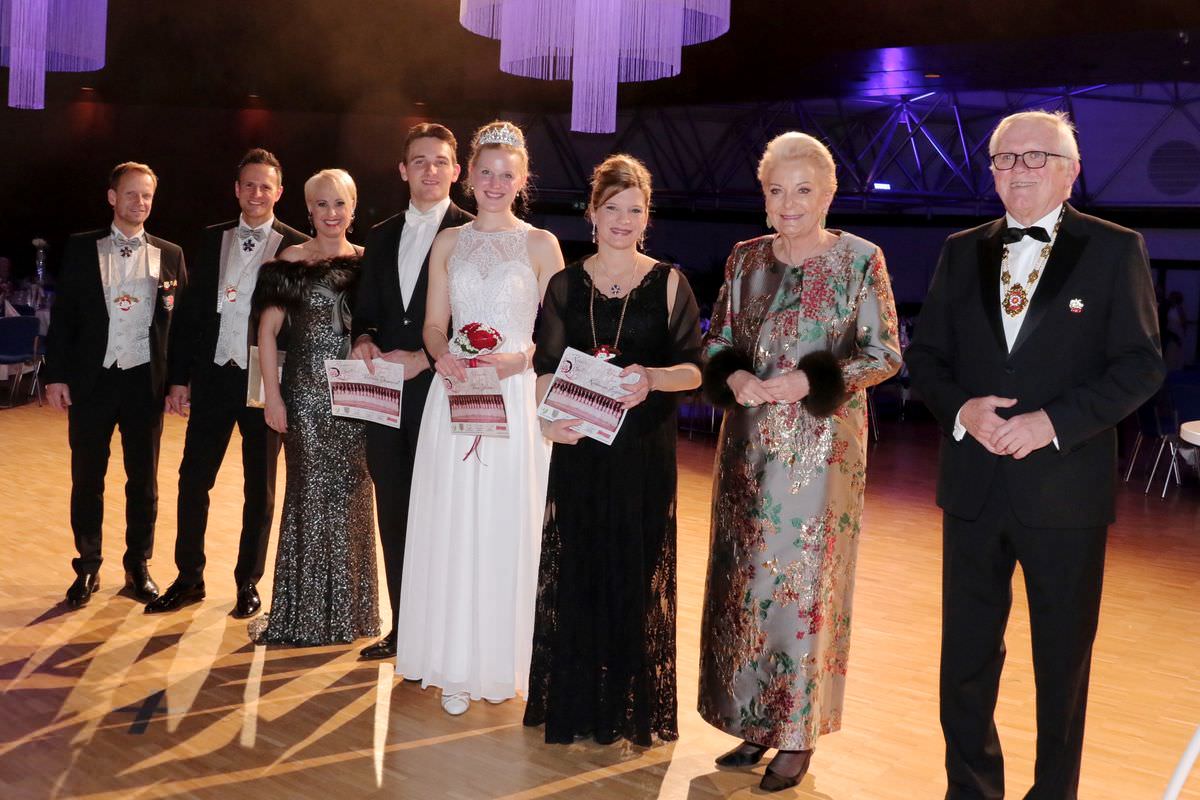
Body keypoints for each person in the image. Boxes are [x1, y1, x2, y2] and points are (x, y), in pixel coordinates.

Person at [906, 110, 1165, 800]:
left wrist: (1052, 422)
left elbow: (1141, 366)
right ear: (991, 172)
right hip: (973, 488)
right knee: (965, 660)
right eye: (1004, 158)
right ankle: (970, 790)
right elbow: (925, 358)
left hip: (1066, 493)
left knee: (1062, 665)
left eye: (1035, 157)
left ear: (1071, 171)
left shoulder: (1116, 249)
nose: (1018, 170)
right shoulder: (960, 250)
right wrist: (961, 410)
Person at [697, 132, 901, 792]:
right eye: (776, 190)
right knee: (746, 588)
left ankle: (797, 732)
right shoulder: (745, 258)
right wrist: (732, 376)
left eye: (803, 190)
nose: (789, 203)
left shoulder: (860, 259)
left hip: (820, 462)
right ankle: (753, 720)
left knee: (803, 592)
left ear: (828, 193)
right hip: (746, 453)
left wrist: (809, 379)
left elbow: (884, 354)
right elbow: (717, 340)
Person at [523, 155, 702, 746]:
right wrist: (549, 423)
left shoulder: (670, 283)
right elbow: (545, 369)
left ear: (647, 217)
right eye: (612, 208)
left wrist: (652, 377)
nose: (623, 219)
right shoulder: (564, 285)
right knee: (578, 574)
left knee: (633, 577)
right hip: (580, 450)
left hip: (642, 456)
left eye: (635, 209)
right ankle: (575, 707)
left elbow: (694, 370)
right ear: (592, 214)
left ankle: (626, 711)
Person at [395, 120, 564, 715]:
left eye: (506, 175)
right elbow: (432, 324)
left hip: (513, 397)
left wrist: (519, 360)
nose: (495, 183)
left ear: (522, 180)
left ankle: (506, 659)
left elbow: (557, 335)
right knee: (453, 517)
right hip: (456, 394)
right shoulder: (449, 242)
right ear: (469, 175)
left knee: (504, 520)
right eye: (486, 172)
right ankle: (454, 663)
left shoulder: (541, 244)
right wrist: (442, 353)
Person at [148, 148, 308, 617]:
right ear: (237, 190)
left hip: (265, 383)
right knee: (193, 480)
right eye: (249, 185)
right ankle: (189, 577)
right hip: (213, 377)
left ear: (279, 192)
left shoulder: (297, 246)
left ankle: (248, 582)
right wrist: (179, 379)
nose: (257, 193)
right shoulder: (210, 237)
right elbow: (191, 315)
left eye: (266, 186)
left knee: (260, 488)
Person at [350, 123, 474, 661]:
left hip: (445, 393)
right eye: (419, 161)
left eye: (440, 161)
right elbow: (366, 311)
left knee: (446, 514)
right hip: (384, 397)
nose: (430, 170)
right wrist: (363, 339)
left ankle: (445, 634)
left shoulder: (473, 233)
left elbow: (478, 323)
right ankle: (404, 630)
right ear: (403, 170)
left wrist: (424, 360)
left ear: (456, 171)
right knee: (394, 510)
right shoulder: (379, 235)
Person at [44, 162, 187, 609]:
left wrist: (179, 382)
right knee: (87, 478)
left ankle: (137, 565)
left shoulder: (170, 254)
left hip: (145, 383)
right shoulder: (81, 247)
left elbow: (181, 327)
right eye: (131, 194)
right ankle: (87, 565)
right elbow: (64, 317)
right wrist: (56, 375)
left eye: (146, 195)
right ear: (112, 197)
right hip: (93, 381)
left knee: (143, 481)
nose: (139, 202)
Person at [249, 168, 379, 645]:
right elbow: (266, 334)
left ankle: (350, 615)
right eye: (321, 204)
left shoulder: (370, 263)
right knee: (308, 497)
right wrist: (273, 397)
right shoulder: (291, 260)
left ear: (353, 208)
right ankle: (302, 615)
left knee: (353, 498)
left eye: (339, 203)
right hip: (305, 397)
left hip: (359, 400)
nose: (331, 213)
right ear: (308, 209)